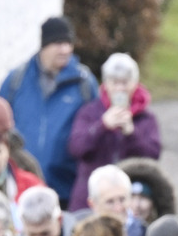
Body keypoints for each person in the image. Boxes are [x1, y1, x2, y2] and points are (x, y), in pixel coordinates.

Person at [0, 15, 98, 205]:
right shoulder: (16, 80)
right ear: (44, 45)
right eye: (59, 43)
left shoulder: (84, 83)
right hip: (21, 189)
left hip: (67, 192)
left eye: (69, 43)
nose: (66, 49)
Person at [67, 54, 161, 213]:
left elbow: (153, 156)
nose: (120, 88)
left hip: (129, 201)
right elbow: (76, 147)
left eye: (125, 83)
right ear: (105, 85)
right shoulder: (89, 112)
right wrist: (102, 126)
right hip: (89, 199)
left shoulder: (146, 118)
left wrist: (132, 134)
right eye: (114, 83)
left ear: (135, 84)